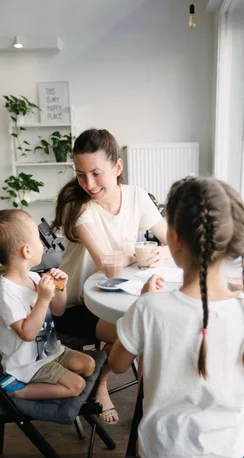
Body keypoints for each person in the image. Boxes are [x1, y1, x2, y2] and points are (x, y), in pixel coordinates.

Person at [109, 176, 244, 458]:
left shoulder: (150, 308)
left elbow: (117, 364)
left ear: (173, 239)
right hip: (228, 452)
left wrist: (140, 304)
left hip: (162, 455)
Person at [52, 128, 170, 423]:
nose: (88, 184)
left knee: (147, 324)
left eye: (96, 173)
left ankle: (149, 406)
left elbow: (173, 240)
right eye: (81, 174)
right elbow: (106, 263)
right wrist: (139, 252)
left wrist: (162, 252)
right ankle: (102, 385)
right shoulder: (77, 205)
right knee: (142, 330)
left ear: (117, 167)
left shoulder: (136, 197)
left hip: (118, 295)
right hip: (77, 303)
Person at [0, 209, 95, 406]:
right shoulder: (7, 293)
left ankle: (48, 379)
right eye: (38, 239)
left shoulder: (34, 277)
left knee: (88, 365)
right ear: (27, 250)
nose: (43, 244)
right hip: (26, 364)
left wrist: (61, 290)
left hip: (50, 351)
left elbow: (58, 311)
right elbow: (27, 334)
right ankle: (13, 391)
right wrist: (42, 300)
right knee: (77, 386)